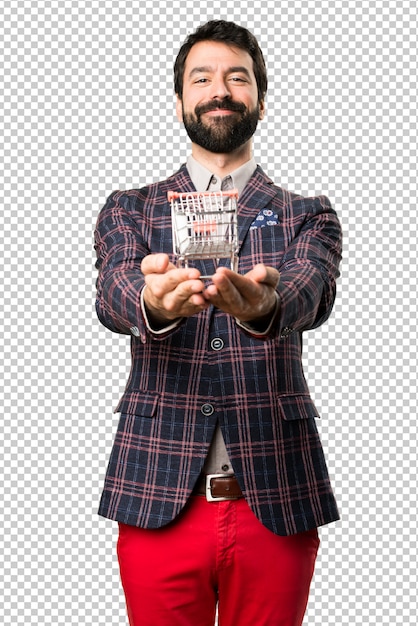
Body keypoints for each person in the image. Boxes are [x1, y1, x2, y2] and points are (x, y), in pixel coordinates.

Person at [94, 19, 342, 626]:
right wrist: (154, 306)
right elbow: (113, 292)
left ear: (261, 95)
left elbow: (312, 290)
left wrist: (265, 310)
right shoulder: (130, 208)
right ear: (179, 99)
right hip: (157, 487)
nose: (219, 90)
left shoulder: (308, 215)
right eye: (200, 78)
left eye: (237, 77)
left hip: (277, 493)